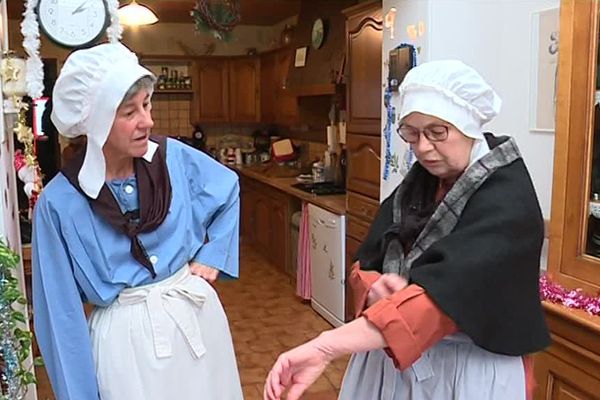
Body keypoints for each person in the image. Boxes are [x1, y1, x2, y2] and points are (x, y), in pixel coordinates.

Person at [264, 60, 550, 400]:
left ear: (469, 126)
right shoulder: (416, 187)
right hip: (389, 356)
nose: (422, 147)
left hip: (466, 370)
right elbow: (365, 261)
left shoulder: (508, 202)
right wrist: (374, 290)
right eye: (411, 133)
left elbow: (444, 299)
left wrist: (326, 346)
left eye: (436, 132)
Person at [32, 43, 243, 400]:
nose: (148, 120)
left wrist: (213, 253)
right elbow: (60, 317)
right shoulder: (59, 203)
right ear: (96, 123)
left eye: (147, 104)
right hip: (124, 345)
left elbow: (228, 189)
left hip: (197, 322)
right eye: (130, 111)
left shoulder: (173, 157)